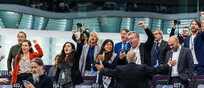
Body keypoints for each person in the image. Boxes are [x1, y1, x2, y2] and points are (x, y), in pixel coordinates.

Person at [95, 50, 176, 88]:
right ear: (136, 58)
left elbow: (109, 72)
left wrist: (101, 69)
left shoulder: (120, 68)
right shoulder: (142, 68)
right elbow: (157, 69)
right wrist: (168, 64)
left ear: (127, 59)